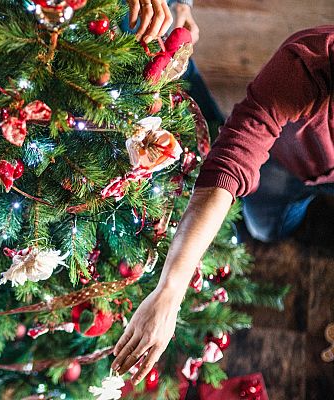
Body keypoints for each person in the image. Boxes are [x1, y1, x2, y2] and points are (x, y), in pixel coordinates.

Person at [111, 25, 334, 383]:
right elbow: (227, 166)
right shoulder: (306, 64)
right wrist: (170, 288)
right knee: (265, 226)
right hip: (287, 165)